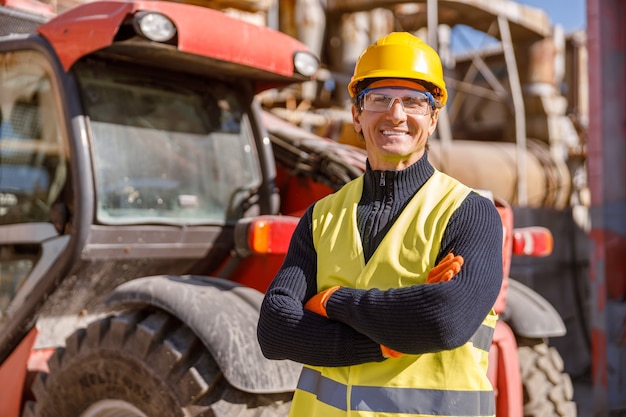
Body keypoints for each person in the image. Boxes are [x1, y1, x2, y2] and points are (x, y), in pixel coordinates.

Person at [257, 32, 503, 417]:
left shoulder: (468, 212)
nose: (396, 115)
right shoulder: (321, 216)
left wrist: (333, 301)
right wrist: (387, 339)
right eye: (379, 99)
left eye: (414, 102)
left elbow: (444, 321)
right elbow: (274, 329)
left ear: (433, 118)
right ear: (357, 114)